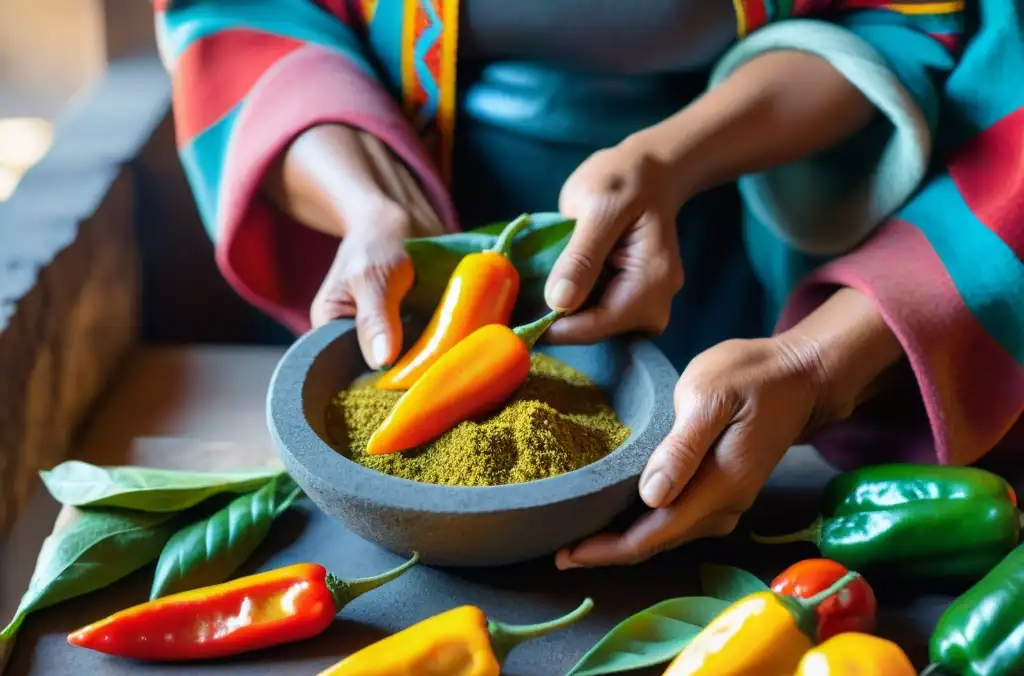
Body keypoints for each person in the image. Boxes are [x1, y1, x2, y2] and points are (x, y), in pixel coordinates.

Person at [154, 0, 1023, 568]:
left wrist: (818, 361)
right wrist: (372, 204)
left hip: (779, 240)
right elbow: (238, 13)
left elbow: (913, 17)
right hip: (411, 247)